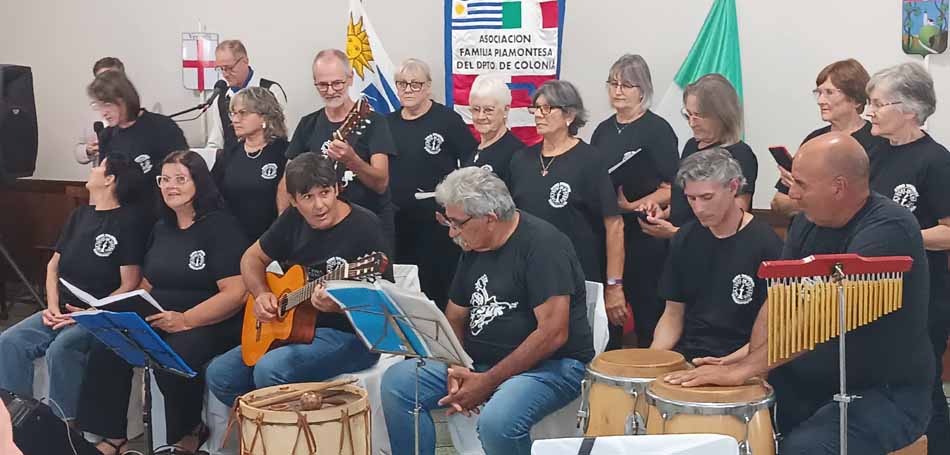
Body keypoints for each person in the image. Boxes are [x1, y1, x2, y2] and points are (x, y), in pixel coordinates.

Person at [665, 133, 933, 454]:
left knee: (804, 448)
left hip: (883, 394)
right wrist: (753, 365)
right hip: (804, 383)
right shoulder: (808, 222)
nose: (792, 193)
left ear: (838, 187)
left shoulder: (889, 228)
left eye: (802, 185)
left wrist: (743, 370)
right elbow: (778, 298)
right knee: (718, 425)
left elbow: (827, 312)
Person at [381, 167, 594, 455]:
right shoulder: (474, 245)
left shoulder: (544, 246)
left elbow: (553, 333)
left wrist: (487, 382)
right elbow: (455, 314)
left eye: (458, 223)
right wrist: (456, 365)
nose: (452, 232)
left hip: (551, 367)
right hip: (478, 362)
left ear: (490, 218)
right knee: (398, 383)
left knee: (497, 421)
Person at [79, 151, 249, 455]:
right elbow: (147, 283)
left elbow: (235, 293)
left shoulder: (220, 227)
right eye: (164, 179)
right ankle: (112, 437)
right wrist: (108, 309)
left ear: (199, 182)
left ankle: (186, 437)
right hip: (161, 314)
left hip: (211, 320)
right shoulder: (162, 227)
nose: (171, 186)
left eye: (180, 179)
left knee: (173, 355)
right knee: (108, 343)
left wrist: (186, 320)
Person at [206, 152, 390, 407]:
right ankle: (265, 430)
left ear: (337, 189)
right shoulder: (292, 221)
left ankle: (286, 438)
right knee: (220, 374)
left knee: (269, 369)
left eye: (325, 192)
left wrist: (341, 305)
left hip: (350, 336)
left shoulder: (365, 227)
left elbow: (383, 298)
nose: (319, 205)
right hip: (294, 331)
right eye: (307, 197)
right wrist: (261, 294)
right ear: (293, 201)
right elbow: (251, 258)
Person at [0, 155, 148, 423]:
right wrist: (53, 307)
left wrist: (90, 311)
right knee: (9, 342)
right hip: (61, 308)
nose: (93, 170)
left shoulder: (128, 222)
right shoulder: (80, 215)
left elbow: (130, 283)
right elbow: (53, 267)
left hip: (96, 313)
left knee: (61, 349)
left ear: (110, 179)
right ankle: (16, 420)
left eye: (99, 166)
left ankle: (63, 427)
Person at [865, 61, 950, 454]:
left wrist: (899, 237)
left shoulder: (936, 160)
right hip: (873, 292)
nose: (870, 112)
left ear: (909, 110)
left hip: (921, 293)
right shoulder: (873, 152)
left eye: (879, 104)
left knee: (923, 383)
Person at [507, 80, 627, 332]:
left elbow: (614, 224)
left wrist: (614, 285)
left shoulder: (589, 160)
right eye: (536, 108)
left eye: (547, 108)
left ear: (570, 115)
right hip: (529, 277)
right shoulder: (521, 160)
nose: (539, 115)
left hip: (577, 276)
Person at [650, 149, 781, 363]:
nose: (699, 208)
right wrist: (653, 361)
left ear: (733, 187)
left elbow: (776, 328)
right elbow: (673, 314)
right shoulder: (685, 237)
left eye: (707, 197)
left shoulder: (765, 243)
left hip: (743, 357)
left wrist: (728, 364)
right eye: (691, 198)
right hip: (689, 354)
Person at [591, 54, 679, 348]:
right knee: (607, 317)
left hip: (644, 234)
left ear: (642, 90)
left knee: (646, 313)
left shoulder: (658, 129)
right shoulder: (602, 130)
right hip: (606, 233)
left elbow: (671, 187)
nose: (617, 91)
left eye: (626, 85)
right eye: (613, 84)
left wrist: (635, 204)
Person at [388, 58, 479, 309]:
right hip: (397, 226)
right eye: (402, 84)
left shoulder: (447, 120)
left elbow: (472, 164)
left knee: (438, 291)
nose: (407, 90)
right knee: (402, 296)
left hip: (438, 226)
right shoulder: (386, 124)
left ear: (428, 86)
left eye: (415, 84)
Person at [282, 48, 397, 246]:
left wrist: (351, 160)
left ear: (350, 78)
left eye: (337, 83)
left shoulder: (375, 122)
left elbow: (381, 183)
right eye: (323, 85)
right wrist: (284, 226)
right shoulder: (307, 124)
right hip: (319, 229)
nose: (330, 90)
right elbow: (287, 182)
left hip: (368, 227)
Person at [640, 74, 757, 240]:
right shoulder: (691, 146)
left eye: (698, 115)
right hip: (681, 246)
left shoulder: (740, 155)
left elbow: (736, 217)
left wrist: (677, 233)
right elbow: (684, 203)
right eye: (688, 114)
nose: (691, 123)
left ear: (721, 115)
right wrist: (663, 214)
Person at [771, 59, 886, 218]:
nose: (820, 101)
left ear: (856, 99)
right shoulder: (814, 140)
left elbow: (864, 205)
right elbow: (779, 202)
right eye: (819, 93)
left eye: (830, 93)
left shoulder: (878, 142)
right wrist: (801, 192)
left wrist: (806, 196)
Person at [89, 70, 188, 212]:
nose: (103, 112)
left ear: (123, 99)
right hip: (123, 217)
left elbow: (183, 174)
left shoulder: (162, 127)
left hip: (161, 214)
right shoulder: (107, 136)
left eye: (107, 104)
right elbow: (105, 183)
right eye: (98, 105)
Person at [211, 86, 288, 240]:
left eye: (243, 113)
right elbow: (213, 195)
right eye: (233, 113)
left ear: (264, 117)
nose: (235, 120)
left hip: (270, 241)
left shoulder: (284, 152)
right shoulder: (230, 153)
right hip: (231, 240)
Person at [203, 40, 287, 155]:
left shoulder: (271, 90)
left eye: (229, 67)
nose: (225, 74)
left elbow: (281, 133)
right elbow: (216, 141)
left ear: (245, 61)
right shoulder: (221, 98)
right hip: (231, 165)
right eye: (221, 69)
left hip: (266, 162)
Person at [462, 74, 525, 183]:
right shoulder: (473, 150)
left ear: (506, 110)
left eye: (488, 110)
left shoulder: (517, 154)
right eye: (476, 109)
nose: (481, 116)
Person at [75, 57, 126, 165]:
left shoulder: (135, 110)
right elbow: (78, 151)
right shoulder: (93, 113)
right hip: (101, 177)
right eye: (100, 79)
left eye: (110, 78)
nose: (105, 84)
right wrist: (88, 150)